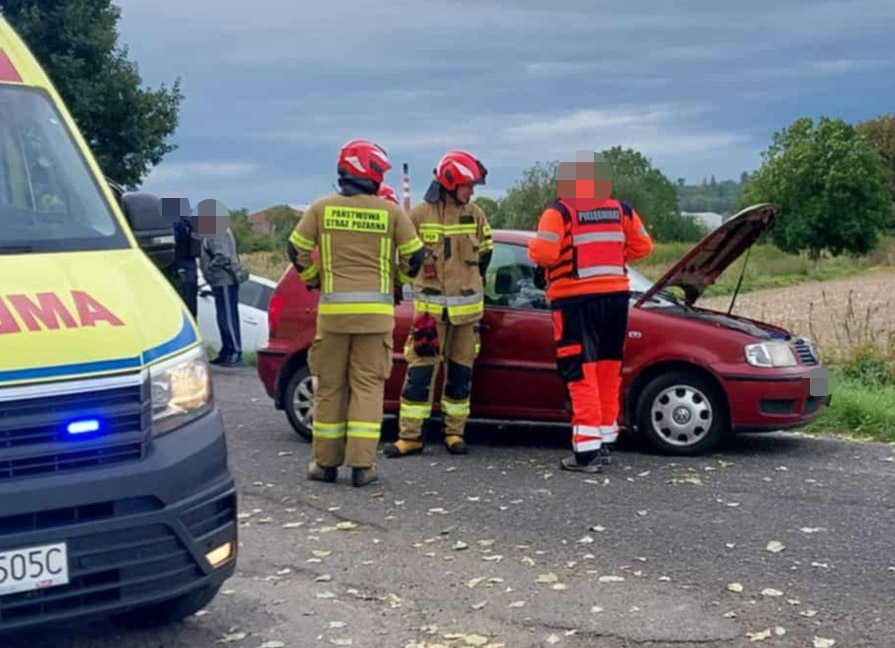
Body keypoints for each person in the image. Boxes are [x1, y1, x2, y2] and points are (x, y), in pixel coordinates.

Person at [287, 139, 425, 487]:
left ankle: (324, 465)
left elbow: (296, 249)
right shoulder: (390, 212)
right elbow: (416, 256)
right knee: (367, 389)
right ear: (374, 173)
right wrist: (398, 282)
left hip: (333, 317)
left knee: (330, 388)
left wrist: (314, 279)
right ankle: (363, 468)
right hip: (376, 318)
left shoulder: (321, 208)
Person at [527, 150, 653, 473]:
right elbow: (643, 247)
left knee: (580, 373)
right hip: (615, 300)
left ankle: (585, 453)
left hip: (575, 303)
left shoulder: (559, 212)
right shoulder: (621, 211)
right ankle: (605, 441)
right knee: (608, 372)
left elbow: (543, 253)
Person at [383, 151, 493, 458]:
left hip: (467, 316)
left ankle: (454, 433)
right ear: (449, 183)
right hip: (429, 316)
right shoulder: (417, 216)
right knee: (419, 376)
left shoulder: (477, 214)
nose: (471, 191)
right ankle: (410, 437)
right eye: (467, 185)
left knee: (460, 377)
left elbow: (485, 254)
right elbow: (404, 259)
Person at [200, 220, 248, 366]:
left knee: (227, 316)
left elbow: (222, 256)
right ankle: (227, 350)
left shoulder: (216, 231)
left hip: (224, 280)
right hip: (220, 281)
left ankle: (235, 351)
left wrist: (209, 270)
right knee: (223, 316)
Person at [172, 209, 200, 318]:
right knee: (191, 307)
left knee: (180, 308)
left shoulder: (176, 222)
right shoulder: (191, 220)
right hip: (191, 267)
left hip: (179, 267)